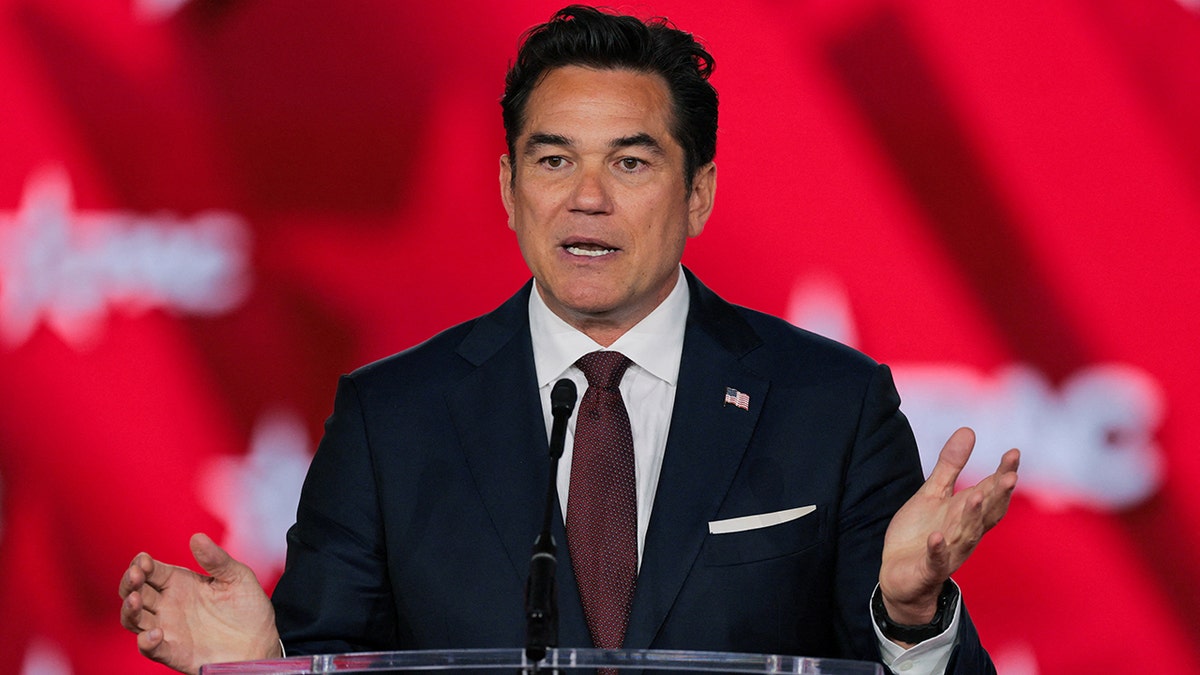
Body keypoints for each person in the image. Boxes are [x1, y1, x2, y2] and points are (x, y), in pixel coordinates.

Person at [119, 6, 1019, 675]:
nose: (586, 196)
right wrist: (260, 659)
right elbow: (331, 657)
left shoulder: (831, 405)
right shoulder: (391, 419)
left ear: (698, 192)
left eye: (630, 162)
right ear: (510, 188)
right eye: (554, 160)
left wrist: (909, 613)